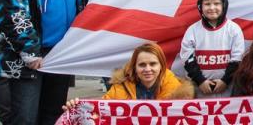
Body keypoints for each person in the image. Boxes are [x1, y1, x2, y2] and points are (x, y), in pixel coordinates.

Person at [64, 43, 193, 105]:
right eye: (142, 65)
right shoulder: (119, 88)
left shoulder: (177, 91)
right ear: (134, 67)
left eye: (153, 64)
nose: (147, 69)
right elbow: (98, 110)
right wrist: (76, 106)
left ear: (161, 67)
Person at [177, 0, 244, 98]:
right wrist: (200, 81)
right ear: (200, 7)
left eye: (217, 4)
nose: (212, 7)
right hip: (199, 89)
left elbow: (237, 59)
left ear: (224, 5)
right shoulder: (193, 30)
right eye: (207, 4)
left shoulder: (234, 29)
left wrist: (225, 81)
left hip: (227, 89)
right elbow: (187, 58)